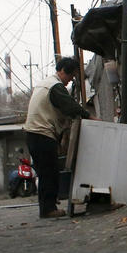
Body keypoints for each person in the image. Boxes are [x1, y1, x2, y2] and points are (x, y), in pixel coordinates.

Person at [22, 57, 94, 219]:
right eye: (70, 76)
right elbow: (69, 105)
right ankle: (48, 209)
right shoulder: (55, 86)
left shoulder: (45, 83)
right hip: (42, 134)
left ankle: (47, 207)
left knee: (45, 172)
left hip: (33, 134)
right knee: (50, 173)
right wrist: (89, 116)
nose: (70, 81)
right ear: (62, 71)